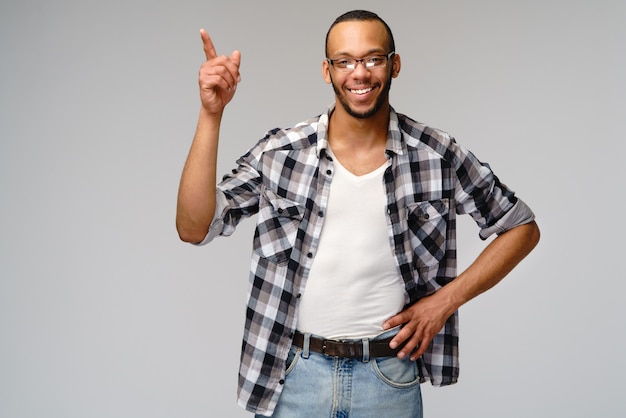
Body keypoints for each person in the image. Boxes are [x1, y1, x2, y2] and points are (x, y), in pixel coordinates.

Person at [176, 9, 540, 418]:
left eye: (372, 58)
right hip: (294, 376)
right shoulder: (280, 153)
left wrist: (444, 302)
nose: (359, 73)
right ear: (326, 71)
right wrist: (211, 114)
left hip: (388, 379)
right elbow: (194, 227)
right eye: (344, 61)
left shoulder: (437, 154)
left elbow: (521, 227)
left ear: (394, 64)